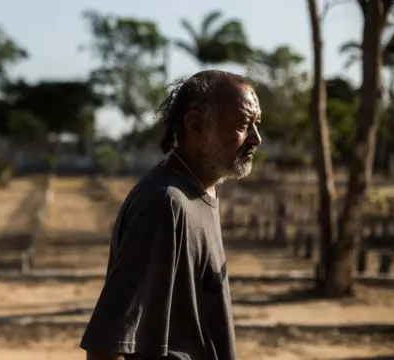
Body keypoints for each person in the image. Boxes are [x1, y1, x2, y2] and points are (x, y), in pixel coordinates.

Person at [80, 70, 262, 360]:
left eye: (256, 125)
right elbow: (107, 342)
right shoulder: (164, 204)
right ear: (195, 125)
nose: (256, 139)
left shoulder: (202, 192)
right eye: (243, 125)